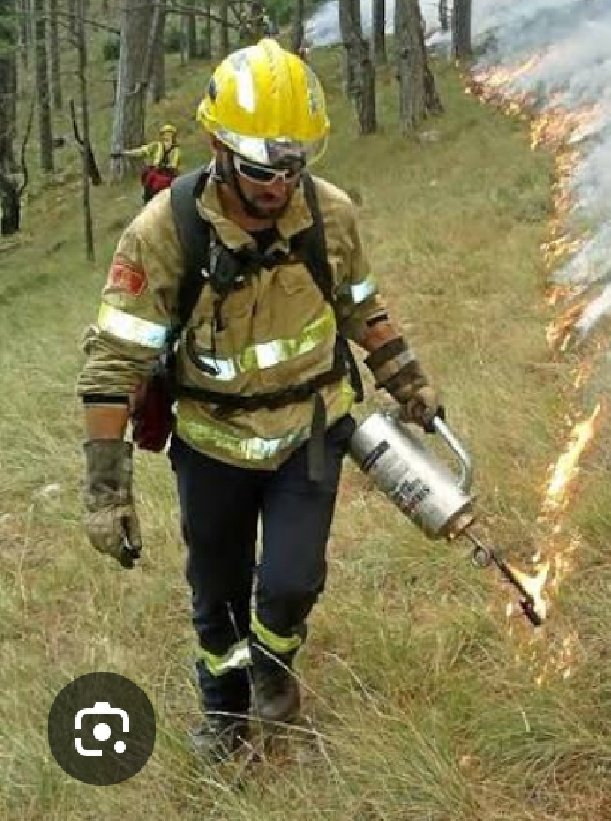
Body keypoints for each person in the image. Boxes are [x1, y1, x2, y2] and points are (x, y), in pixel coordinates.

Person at [76, 39, 444, 762]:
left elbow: (361, 307)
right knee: (215, 595)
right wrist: (104, 491)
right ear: (218, 146)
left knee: (290, 582)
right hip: (212, 442)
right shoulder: (164, 231)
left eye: (294, 166)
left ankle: (275, 672)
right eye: (260, 169)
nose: (279, 185)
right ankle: (224, 707)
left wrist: (408, 380)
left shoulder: (330, 215)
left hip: (311, 428)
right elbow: (113, 361)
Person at [112, 124, 182, 204]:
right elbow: (141, 151)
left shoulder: (176, 150)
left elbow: (174, 165)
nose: (167, 137)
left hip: (169, 174)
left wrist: (169, 167)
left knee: (170, 186)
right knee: (149, 178)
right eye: (165, 135)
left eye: (170, 135)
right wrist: (123, 153)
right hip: (156, 172)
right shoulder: (155, 146)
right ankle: (147, 201)